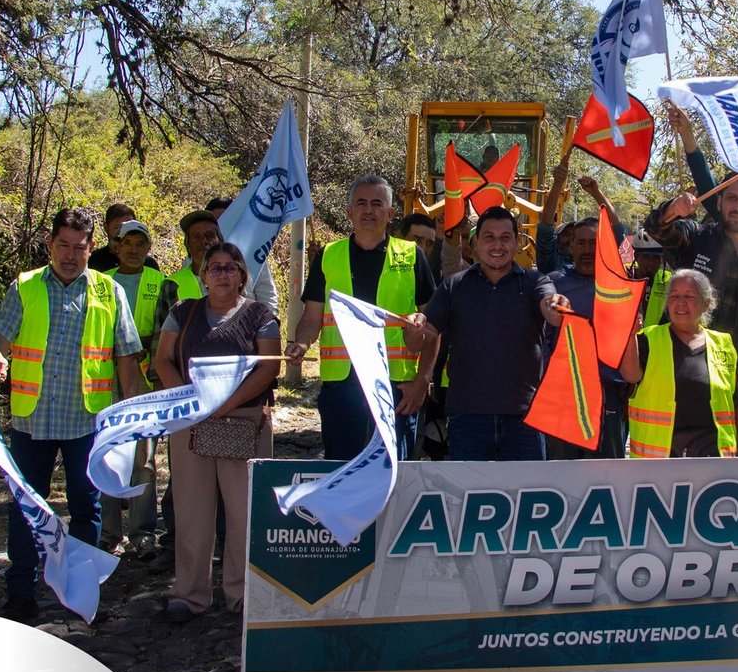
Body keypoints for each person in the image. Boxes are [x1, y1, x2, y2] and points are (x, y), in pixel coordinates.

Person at [0, 207, 145, 622]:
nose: (70, 255)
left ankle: (80, 593)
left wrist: (134, 415)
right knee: (25, 507)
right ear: (50, 245)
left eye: (79, 247)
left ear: (92, 249)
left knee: (86, 508)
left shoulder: (109, 293)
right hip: (31, 419)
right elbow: (0, 334)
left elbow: (126, 358)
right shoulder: (25, 287)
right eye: (63, 246)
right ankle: (20, 592)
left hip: (85, 422)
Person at [152, 242, 279, 622]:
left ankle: (242, 595)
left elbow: (269, 367)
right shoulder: (183, 312)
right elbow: (162, 359)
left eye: (230, 268)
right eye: (215, 267)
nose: (222, 274)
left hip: (244, 422)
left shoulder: (261, 315)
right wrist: (191, 402)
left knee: (245, 514)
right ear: (203, 275)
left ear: (242, 276)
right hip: (191, 423)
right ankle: (190, 594)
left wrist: (223, 406)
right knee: (192, 511)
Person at [286, 175, 437, 461]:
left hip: (396, 388)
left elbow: (433, 325)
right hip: (343, 385)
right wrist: (302, 343)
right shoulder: (329, 256)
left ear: (391, 214)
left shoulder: (411, 256)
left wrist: (422, 381)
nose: (369, 210)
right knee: (342, 470)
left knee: (393, 474)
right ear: (349, 212)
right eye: (362, 203)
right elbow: (311, 318)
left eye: (377, 204)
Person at [410, 206, 571, 461]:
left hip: (525, 420)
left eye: (505, 237)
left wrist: (556, 306)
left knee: (526, 496)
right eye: (489, 237)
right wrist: (414, 326)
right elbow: (418, 340)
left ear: (517, 243)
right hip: (467, 420)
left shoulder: (535, 282)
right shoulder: (454, 286)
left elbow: (550, 306)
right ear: (475, 243)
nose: (498, 244)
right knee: (470, 498)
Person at [643, 174, 738, 456]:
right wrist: (673, 209)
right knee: (682, 464)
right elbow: (656, 228)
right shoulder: (695, 238)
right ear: (719, 201)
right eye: (731, 198)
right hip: (687, 377)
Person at [619, 269, 738, 458]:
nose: (681, 302)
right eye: (674, 296)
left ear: (706, 304)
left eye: (689, 296)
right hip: (657, 465)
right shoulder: (648, 339)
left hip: (713, 462)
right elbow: (630, 374)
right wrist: (628, 333)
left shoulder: (723, 344)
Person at [100, 219, 164, 558]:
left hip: (145, 383)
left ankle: (142, 533)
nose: (134, 249)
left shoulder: (161, 283)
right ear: (116, 246)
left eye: (141, 243)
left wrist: (145, 345)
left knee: (144, 458)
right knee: (107, 454)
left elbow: (169, 330)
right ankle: (107, 532)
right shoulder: (101, 282)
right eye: (127, 243)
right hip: (104, 380)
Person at [544, 215, 630, 459]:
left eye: (593, 242)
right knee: (560, 477)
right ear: (571, 246)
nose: (587, 249)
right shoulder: (554, 283)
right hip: (562, 396)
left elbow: (630, 341)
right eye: (580, 243)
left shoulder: (620, 285)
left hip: (608, 396)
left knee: (607, 478)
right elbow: (543, 338)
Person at [155, 207, 280, 327]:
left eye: (209, 236)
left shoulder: (238, 276)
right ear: (187, 246)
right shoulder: (171, 285)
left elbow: (265, 303)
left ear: (220, 242)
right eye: (196, 237)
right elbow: (160, 338)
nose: (203, 241)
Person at [88, 202, 161, 273]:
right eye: (117, 227)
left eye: (129, 226)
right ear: (106, 227)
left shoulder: (149, 264)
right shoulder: (94, 261)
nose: (122, 231)